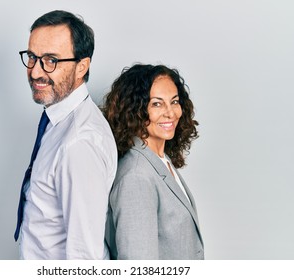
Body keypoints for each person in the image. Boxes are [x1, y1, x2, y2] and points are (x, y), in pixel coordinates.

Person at [14, 10, 117, 259]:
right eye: (32, 57)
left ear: (82, 67)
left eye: (51, 60)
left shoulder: (79, 143)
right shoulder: (57, 120)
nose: (36, 72)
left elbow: (84, 258)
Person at [103, 64, 204, 259]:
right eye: (157, 104)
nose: (170, 113)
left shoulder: (159, 160)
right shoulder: (137, 176)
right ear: (135, 109)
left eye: (174, 102)